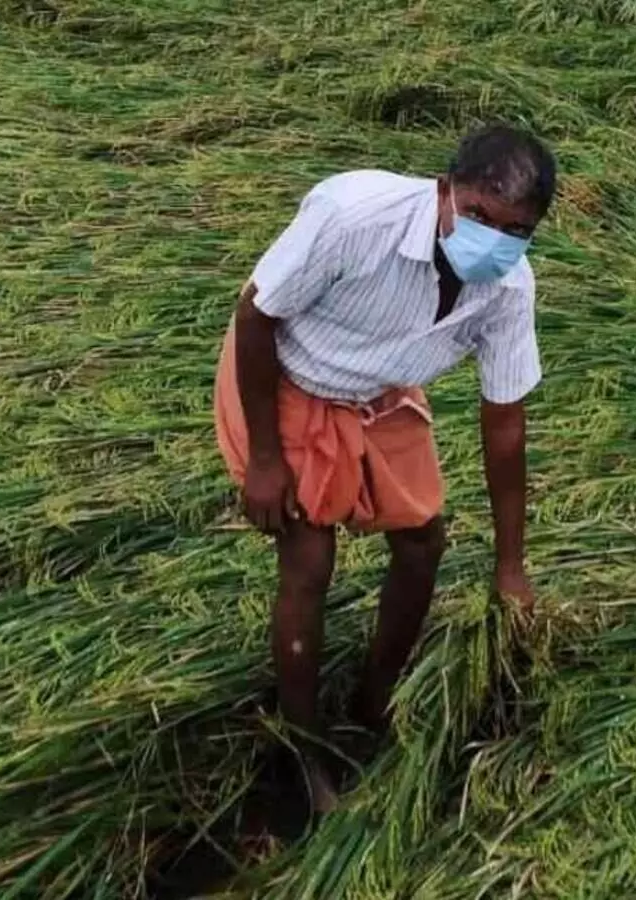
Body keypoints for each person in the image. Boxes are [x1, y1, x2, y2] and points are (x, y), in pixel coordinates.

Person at [213, 123, 555, 814]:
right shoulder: (353, 219)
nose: (493, 238)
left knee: (424, 537)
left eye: (515, 230)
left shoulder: (508, 288)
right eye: (480, 216)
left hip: (380, 390)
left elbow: (505, 423)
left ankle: (374, 702)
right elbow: (256, 314)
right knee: (309, 557)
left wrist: (511, 565)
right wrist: (267, 461)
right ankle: (307, 755)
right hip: (286, 376)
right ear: (444, 191)